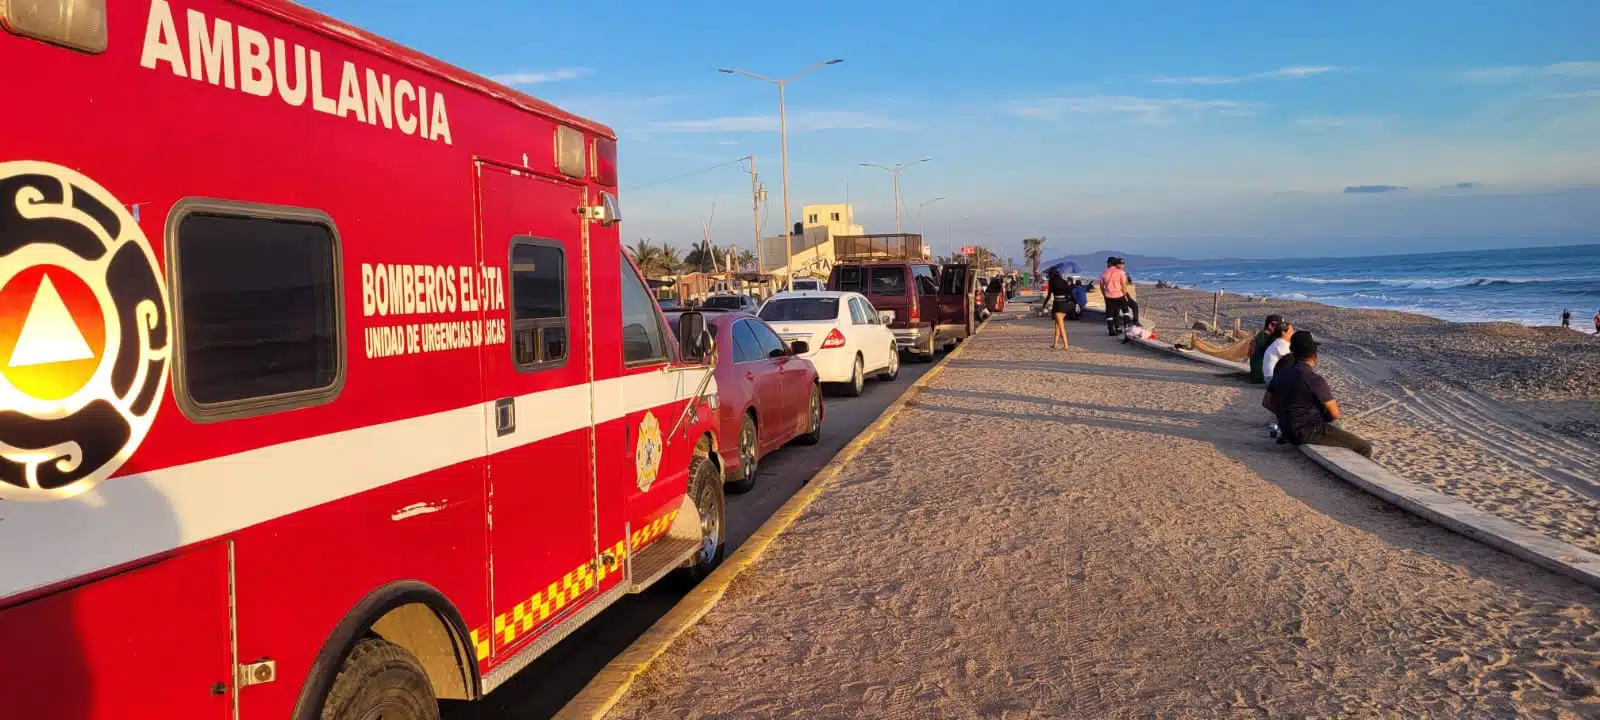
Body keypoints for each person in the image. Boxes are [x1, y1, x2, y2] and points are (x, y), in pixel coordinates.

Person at [1262, 331, 1374, 458]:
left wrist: (1285, 415)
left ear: (1293, 352)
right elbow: (1335, 413)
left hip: (1286, 428)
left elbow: (1266, 402)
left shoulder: (1282, 373)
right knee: (1364, 446)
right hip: (1308, 430)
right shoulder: (1314, 379)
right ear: (1314, 356)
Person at [1098, 257, 1140, 326]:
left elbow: (1102, 287)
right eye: (1121, 264)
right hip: (1121, 293)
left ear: (1110, 263)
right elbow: (1124, 284)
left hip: (1109, 295)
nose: (1107, 265)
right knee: (1130, 306)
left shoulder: (1104, 273)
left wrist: (1105, 295)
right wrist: (1124, 294)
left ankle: (1117, 327)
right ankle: (1132, 323)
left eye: (1108, 263)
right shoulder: (1120, 272)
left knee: (1116, 310)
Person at [1248, 314, 1284, 384]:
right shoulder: (1267, 338)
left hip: (1257, 375)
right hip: (1262, 376)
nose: (1282, 329)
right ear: (1271, 325)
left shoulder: (1261, 335)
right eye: (1280, 326)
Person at [1262, 321, 1295, 385]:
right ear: (1283, 333)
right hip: (1271, 379)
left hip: (1270, 377)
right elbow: (1291, 360)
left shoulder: (1278, 342)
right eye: (1290, 332)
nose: (1293, 333)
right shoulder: (1281, 343)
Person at [1047, 267, 1073, 350]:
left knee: (1061, 326)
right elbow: (1070, 293)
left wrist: (1044, 305)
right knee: (1057, 325)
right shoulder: (1064, 282)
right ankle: (1055, 343)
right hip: (1064, 304)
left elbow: (1048, 295)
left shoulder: (1051, 282)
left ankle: (1066, 345)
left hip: (1057, 305)